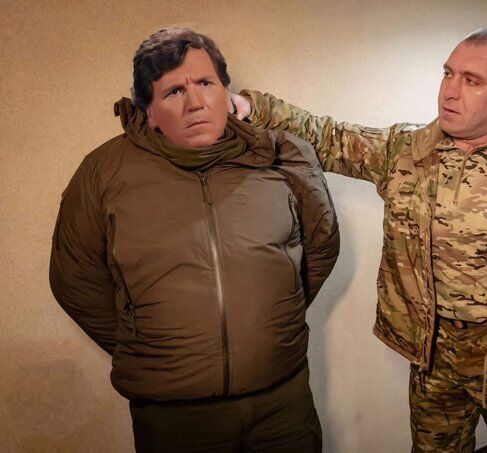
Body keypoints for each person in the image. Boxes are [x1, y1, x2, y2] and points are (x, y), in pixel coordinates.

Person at [232, 26, 487, 452]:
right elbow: (331, 138)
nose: (450, 92)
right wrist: (252, 109)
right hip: (434, 364)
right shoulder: (409, 150)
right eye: (448, 73)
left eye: (472, 81)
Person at [49, 27, 339, 453]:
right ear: (149, 110)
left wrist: (272, 320)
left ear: (226, 92)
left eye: (206, 83)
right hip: (174, 420)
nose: (196, 102)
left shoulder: (281, 157)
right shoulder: (103, 173)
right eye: (173, 91)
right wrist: (146, 341)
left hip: (283, 404)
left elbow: (320, 247)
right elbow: (76, 281)